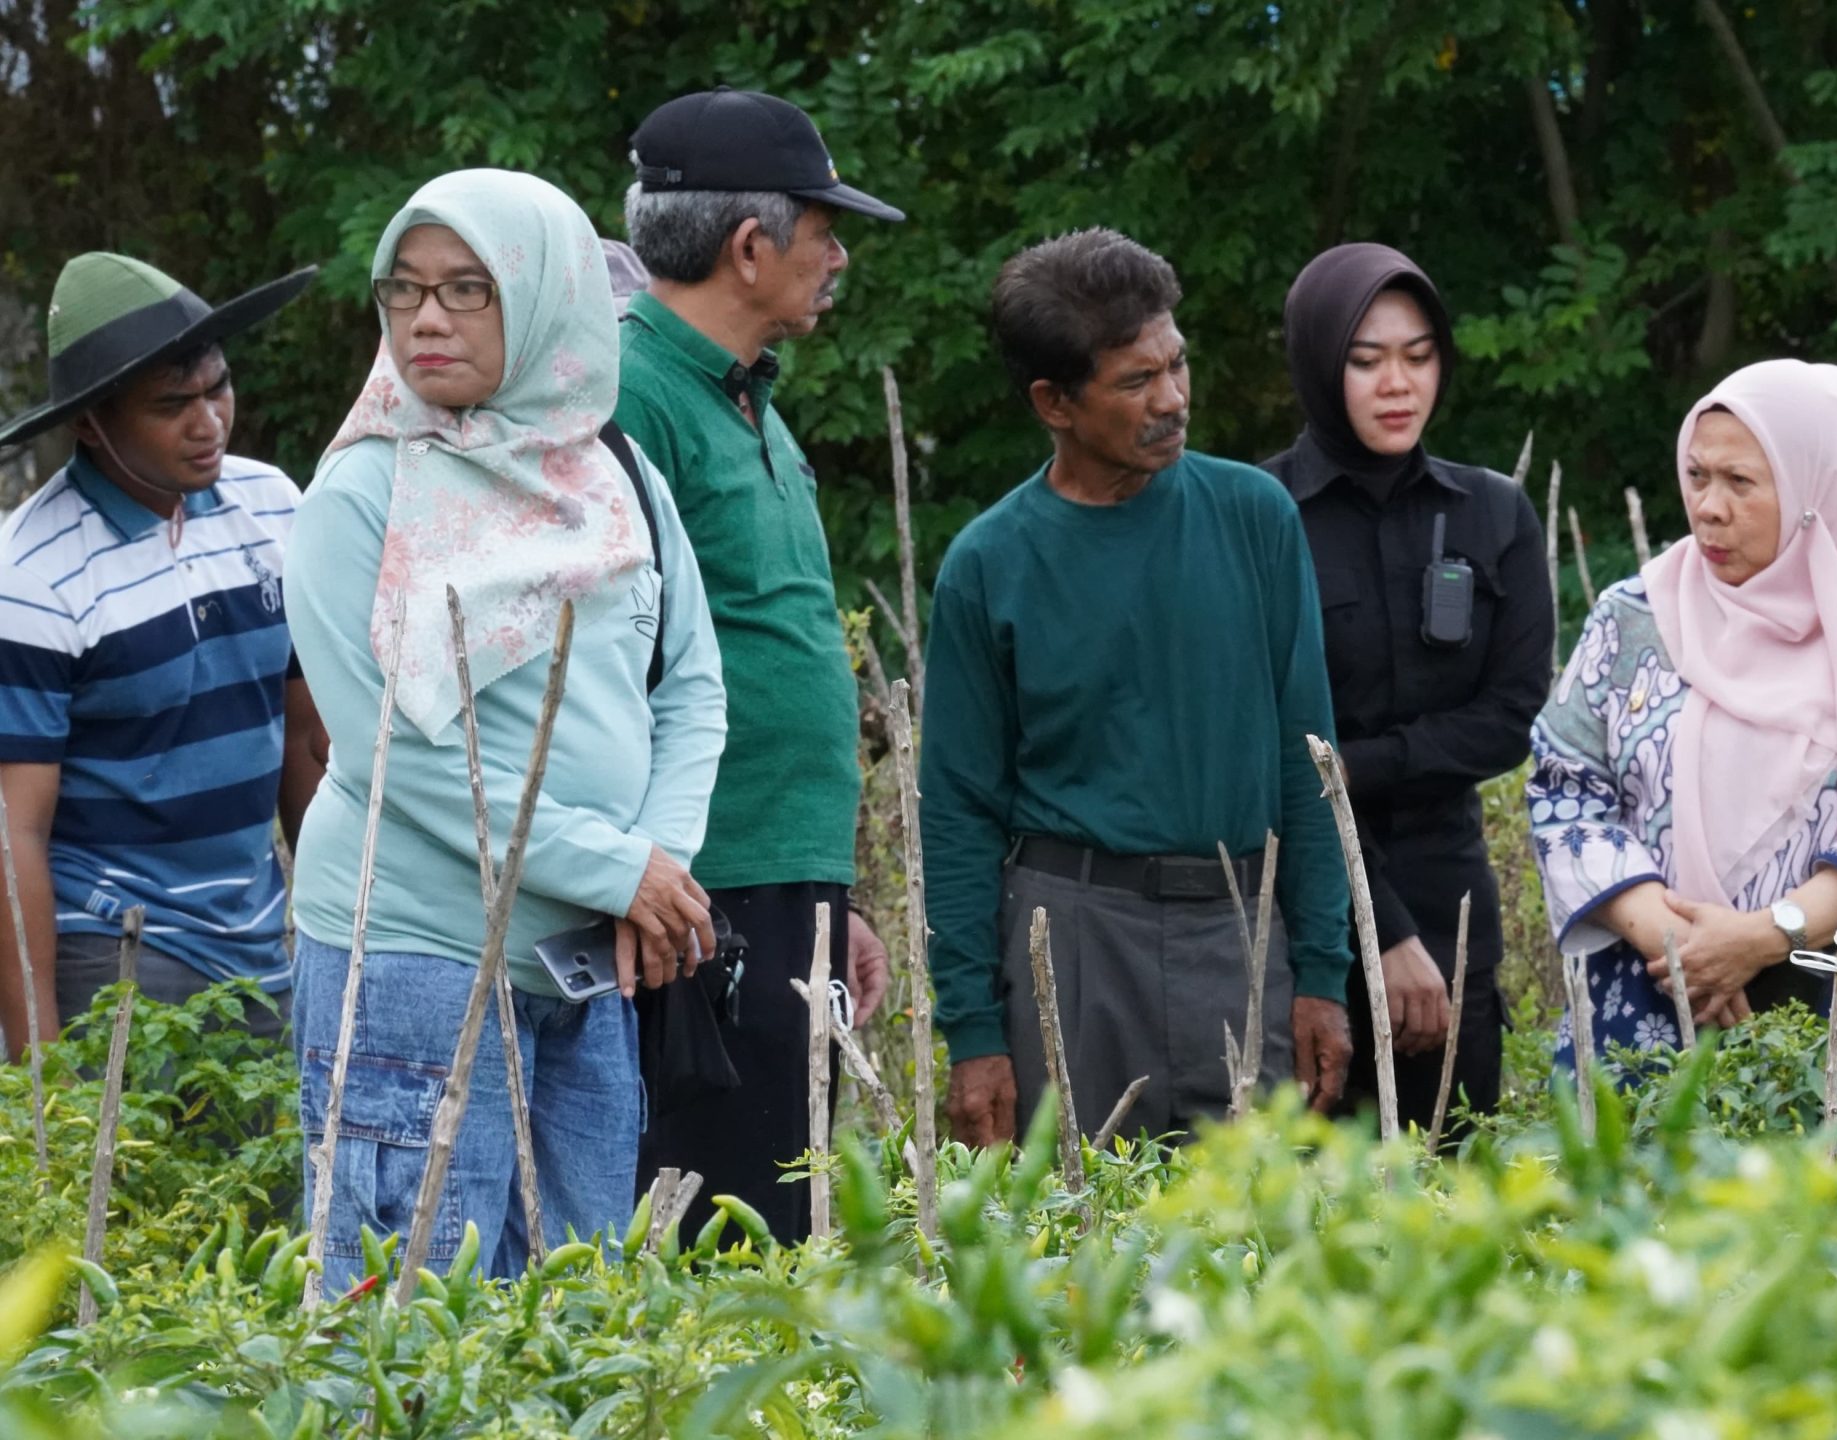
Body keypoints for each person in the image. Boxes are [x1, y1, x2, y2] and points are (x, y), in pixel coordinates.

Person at [286, 168, 725, 1292]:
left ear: (545, 295)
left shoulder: (612, 474)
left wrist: (655, 865)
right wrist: (618, 866)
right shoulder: (364, 496)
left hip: (585, 959)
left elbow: (689, 688)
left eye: (468, 289)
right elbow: (388, 757)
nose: (427, 318)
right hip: (416, 956)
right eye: (406, 289)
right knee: (419, 1314)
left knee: (576, 1307)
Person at [922, 227, 1354, 1145]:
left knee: (1251, 1254)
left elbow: (1309, 760)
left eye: (1177, 366)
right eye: (1135, 382)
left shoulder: (1255, 518)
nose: (1173, 399)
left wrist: (1320, 971)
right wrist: (973, 1029)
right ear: (1054, 402)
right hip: (1068, 944)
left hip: (1241, 932)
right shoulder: (989, 565)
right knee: (1070, 1256)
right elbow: (957, 811)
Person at [1530, 360, 1837, 1081]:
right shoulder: (1634, 618)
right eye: (1697, 475)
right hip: (1652, 1006)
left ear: (1821, 490)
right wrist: (1684, 947)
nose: (1708, 506)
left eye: (1740, 482)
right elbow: (1565, 789)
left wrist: (1766, 935)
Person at [615, 85, 899, 1245]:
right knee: (721, 1232)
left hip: (781, 884)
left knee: (798, 1217)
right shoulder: (635, 394)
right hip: (699, 898)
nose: (836, 253)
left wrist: (831, 892)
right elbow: (614, 662)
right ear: (748, 246)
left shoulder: (750, 400)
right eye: (822, 227)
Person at [1260, 243, 1551, 1138]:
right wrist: (1380, 931)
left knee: (1457, 1193)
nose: (1398, 384)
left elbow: (1508, 719)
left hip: (1450, 893)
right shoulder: (1262, 513)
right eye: (1366, 359)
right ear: (1318, 361)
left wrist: (1354, 762)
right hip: (1300, 905)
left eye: (1419, 356)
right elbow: (1272, 748)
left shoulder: (1491, 512)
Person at [0, 251, 321, 1051]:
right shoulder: (32, 576)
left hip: (263, 939)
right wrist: (39, 1072)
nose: (208, 422)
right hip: (115, 947)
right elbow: (14, 834)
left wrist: (332, 934)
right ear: (89, 422)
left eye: (218, 389)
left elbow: (308, 743)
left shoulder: (273, 507)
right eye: (172, 404)